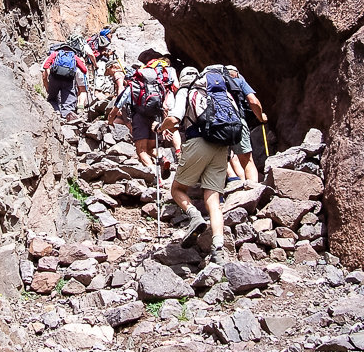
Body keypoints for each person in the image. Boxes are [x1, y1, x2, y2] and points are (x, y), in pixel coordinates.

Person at [156, 66, 232, 265]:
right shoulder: (217, 91)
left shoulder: (185, 91)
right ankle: (218, 248)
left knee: (177, 189)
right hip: (222, 145)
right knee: (213, 200)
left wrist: (160, 127)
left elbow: (174, 119)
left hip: (198, 142)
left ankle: (194, 216)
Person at [107, 66, 169, 175]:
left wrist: (110, 121)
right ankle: (162, 158)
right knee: (150, 148)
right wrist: (164, 126)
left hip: (140, 119)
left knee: (141, 151)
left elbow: (116, 108)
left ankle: (155, 175)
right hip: (155, 118)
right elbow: (164, 107)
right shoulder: (156, 86)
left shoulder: (131, 88)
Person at [225, 65, 267, 183]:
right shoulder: (239, 81)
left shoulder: (215, 85)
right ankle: (252, 192)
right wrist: (260, 117)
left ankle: (223, 193)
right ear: (236, 73)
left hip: (218, 126)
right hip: (237, 121)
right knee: (247, 161)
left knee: (219, 161)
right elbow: (253, 101)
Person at [42, 44, 88, 121]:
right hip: (68, 80)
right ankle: (67, 118)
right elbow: (84, 70)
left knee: (52, 97)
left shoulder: (55, 54)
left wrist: (49, 76)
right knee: (68, 100)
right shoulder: (74, 57)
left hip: (54, 78)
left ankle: (55, 112)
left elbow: (46, 66)